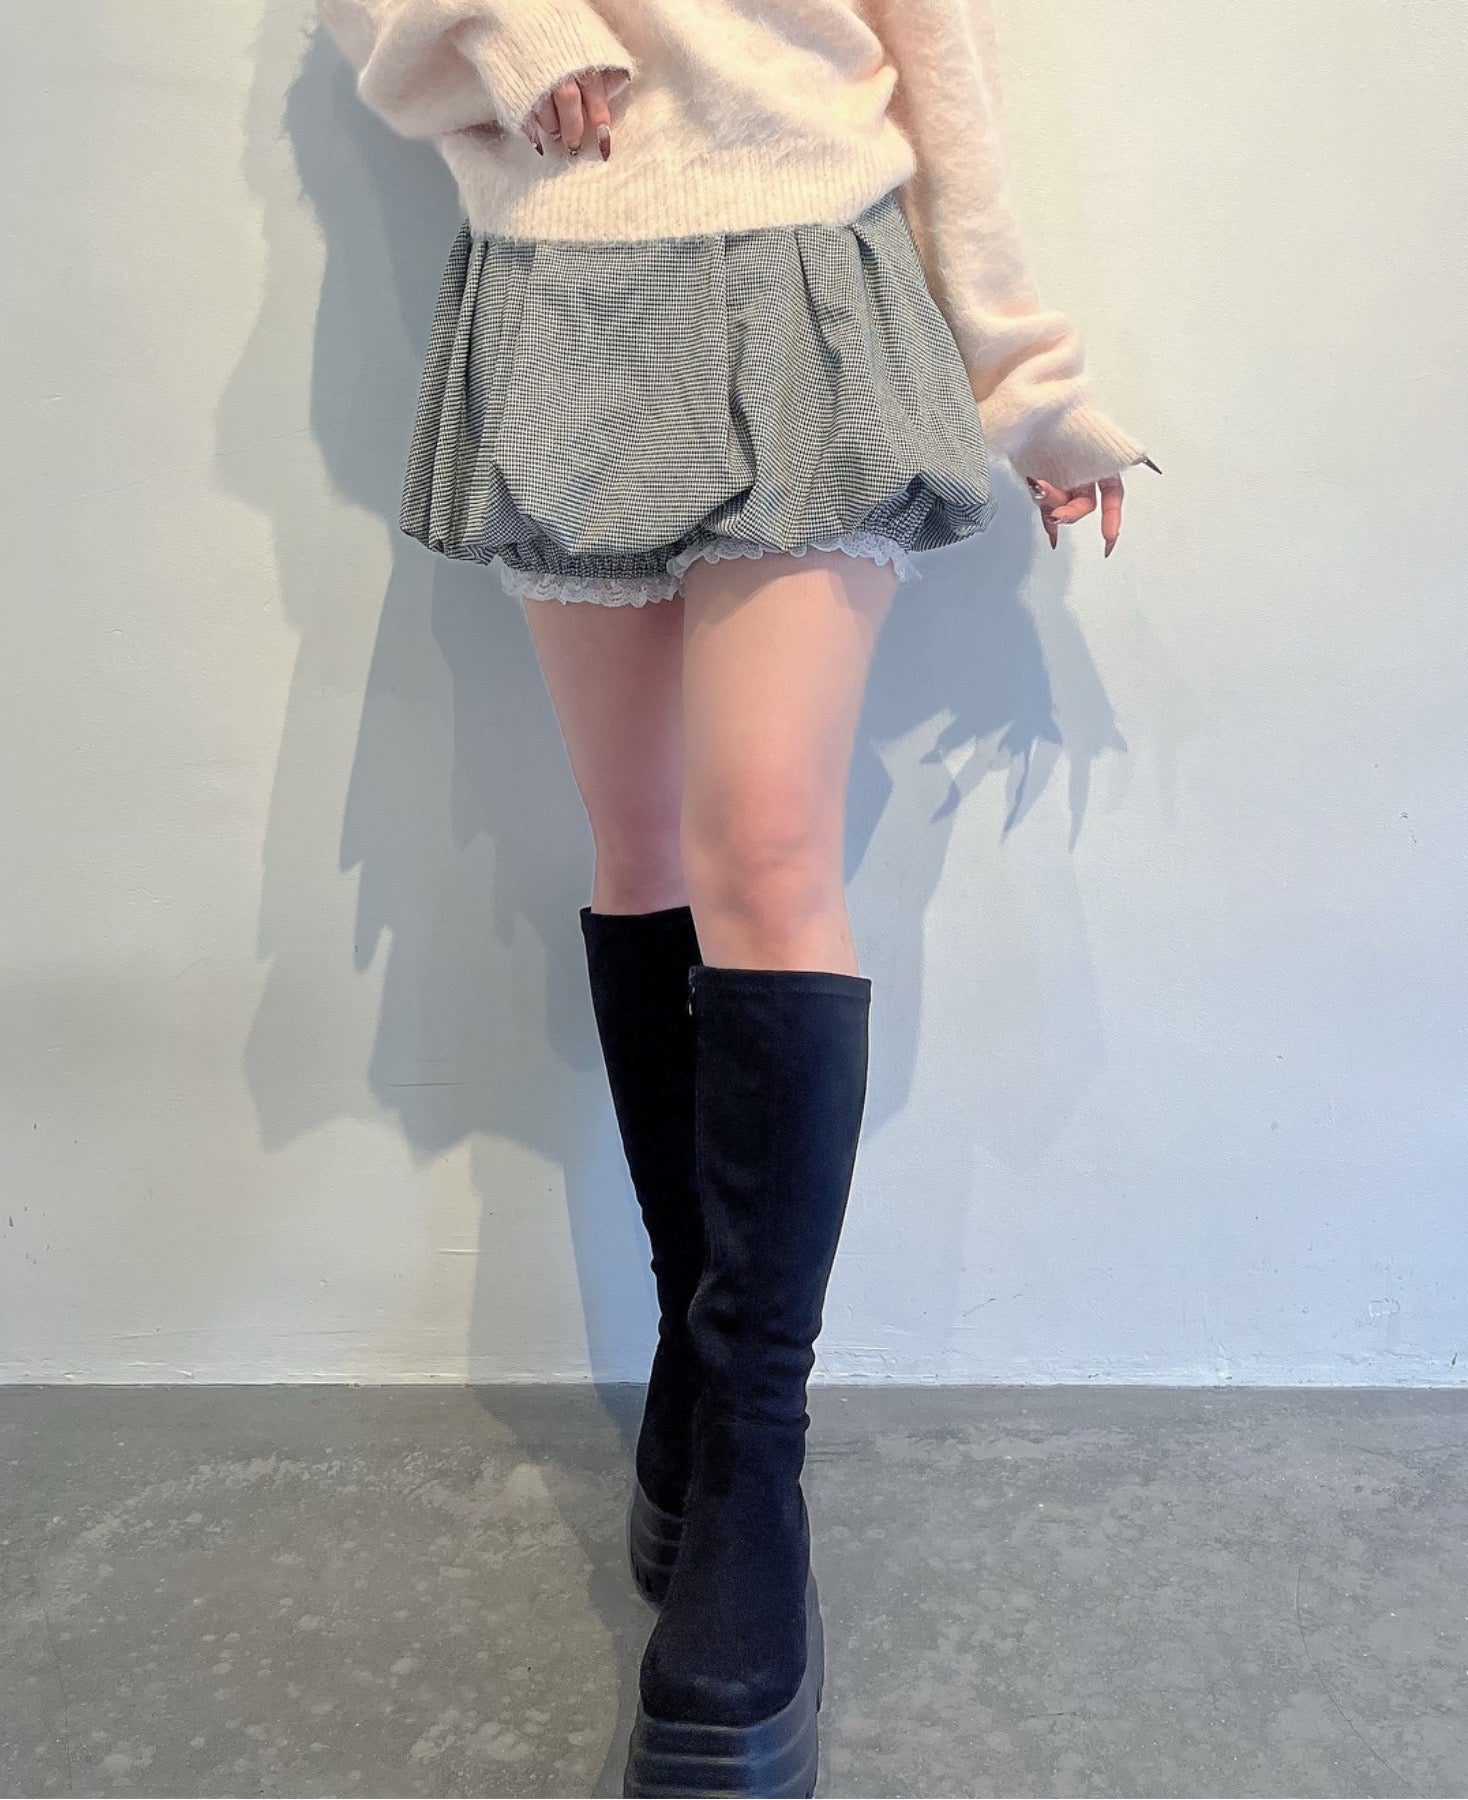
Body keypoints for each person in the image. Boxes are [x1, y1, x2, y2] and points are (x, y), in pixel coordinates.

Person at [317, 1, 1159, 1792]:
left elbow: (937, 45)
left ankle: (752, 1458)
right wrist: (502, 26)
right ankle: (695, 1384)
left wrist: (1023, 376)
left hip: (806, 274)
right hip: (562, 281)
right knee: (638, 850)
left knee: (764, 853)